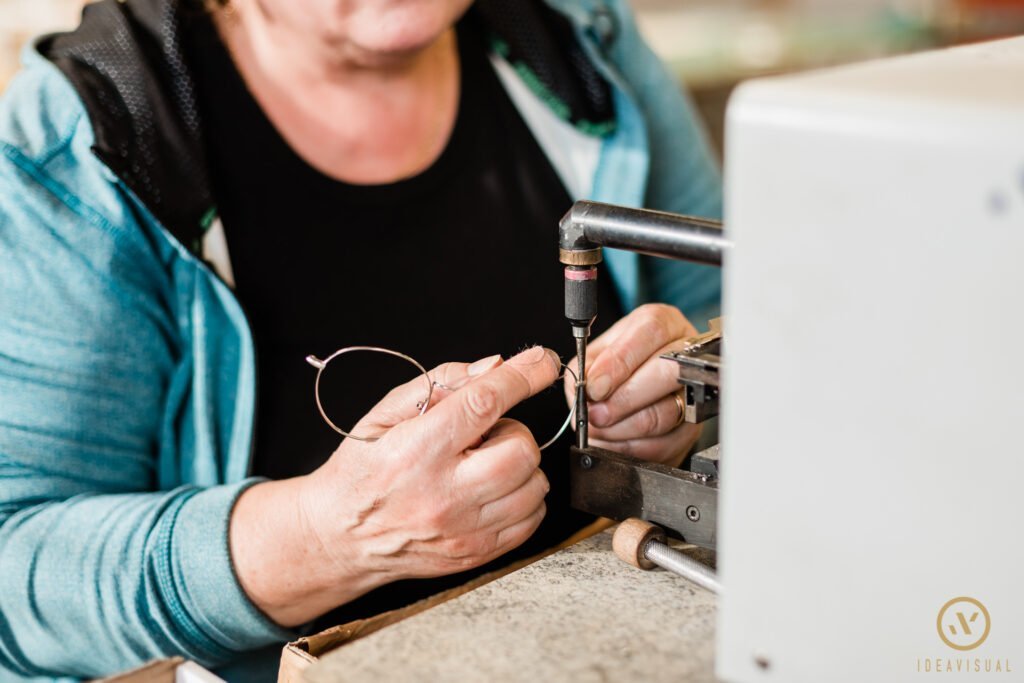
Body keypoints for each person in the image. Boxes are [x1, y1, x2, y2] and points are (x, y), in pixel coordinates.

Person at [0, 0, 723, 679]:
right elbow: (17, 568)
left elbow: (740, 318)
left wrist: (686, 404)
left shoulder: (577, 43)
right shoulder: (93, 138)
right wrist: (322, 539)